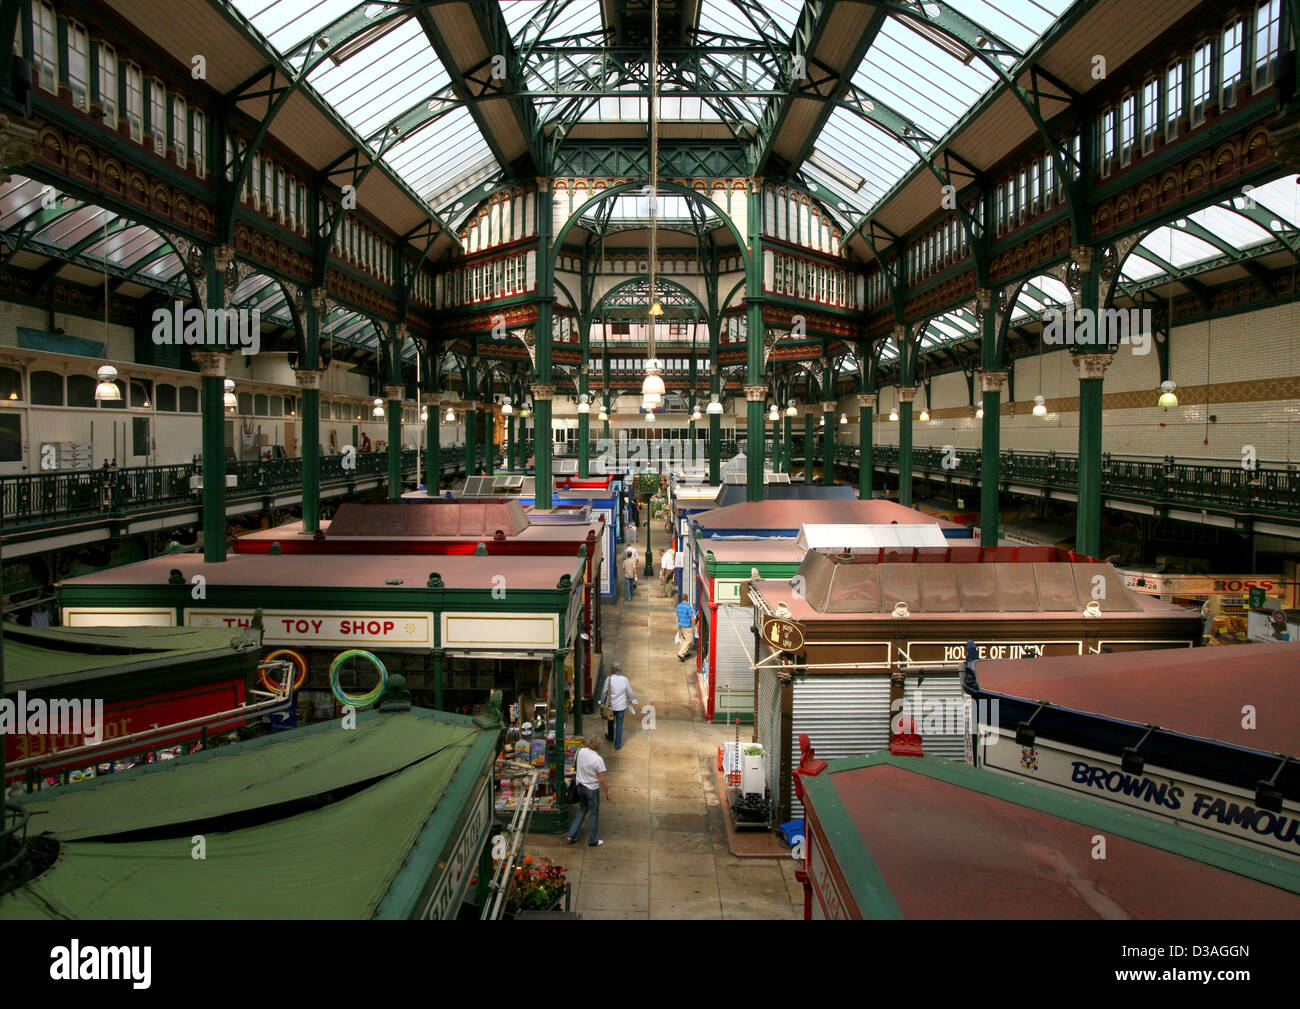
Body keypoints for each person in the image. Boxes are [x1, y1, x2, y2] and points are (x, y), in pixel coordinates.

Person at [566, 734, 610, 847]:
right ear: (598, 747)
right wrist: (607, 792)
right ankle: (592, 840)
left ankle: (571, 834)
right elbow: (602, 779)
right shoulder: (598, 759)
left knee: (582, 809)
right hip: (592, 789)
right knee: (594, 813)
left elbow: (573, 765)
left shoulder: (580, 751)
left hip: (580, 786)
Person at [598, 662, 638, 750]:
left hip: (611, 706)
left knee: (610, 721)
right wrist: (631, 699)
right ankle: (618, 744)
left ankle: (610, 736)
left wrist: (602, 702)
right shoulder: (625, 679)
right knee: (619, 724)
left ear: (612, 670)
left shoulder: (609, 679)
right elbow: (630, 692)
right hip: (621, 706)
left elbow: (604, 692)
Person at [676, 592, 696, 662]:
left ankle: (685, 653)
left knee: (682, 639)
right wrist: (695, 625)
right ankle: (681, 653)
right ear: (687, 599)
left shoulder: (678, 606)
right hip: (687, 626)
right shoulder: (688, 607)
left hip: (680, 625)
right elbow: (692, 618)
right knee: (689, 640)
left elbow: (678, 616)